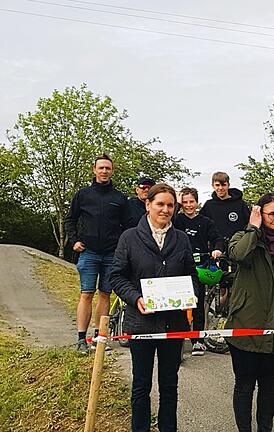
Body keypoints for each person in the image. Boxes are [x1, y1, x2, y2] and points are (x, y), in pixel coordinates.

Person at [110, 183, 196, 432]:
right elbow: (117, 276)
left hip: (174, 324)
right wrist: (135, 298)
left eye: (170, 205)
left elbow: (191, 275)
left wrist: (190, 296)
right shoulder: (129, 237)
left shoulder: (181, 238)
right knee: (141, 385)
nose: (166, 210)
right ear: (147, 205)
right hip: (141, 323)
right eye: (160, 204)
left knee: (170, 384)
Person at [225, 193, 274, 432]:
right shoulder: (244, 238)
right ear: (260, 213)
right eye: (273, 213)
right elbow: (238, 255)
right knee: (244, 385)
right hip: (245, 326)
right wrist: (253, 227)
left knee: (269, 386)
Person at [64, 154, 129, 354]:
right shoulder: (83, 195)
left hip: (111, 254)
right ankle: (81, 339)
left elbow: (127, 226)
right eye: (100, 168)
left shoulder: (119, 198)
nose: (104, 171)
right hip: (88, 253)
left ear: (112, 170)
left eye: (107, 168)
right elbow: (70, 220)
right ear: (94, 170)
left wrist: (122, 248)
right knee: (86, 294)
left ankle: (100, 337)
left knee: (105, 294)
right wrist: (74, 241)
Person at [173, 186, 225, 356]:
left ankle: (198, 340)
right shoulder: (177, 220)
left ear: (197, 202)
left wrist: (217, 249)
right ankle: (177, 338)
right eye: (185, 202)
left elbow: (217, 238)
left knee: (198, 303)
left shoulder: (205, 221)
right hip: (179, 266)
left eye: (192, 202)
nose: (189, 205)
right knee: (178, 304)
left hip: (199, 267)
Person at [200, 171, 250, 242]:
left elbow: (249, 225)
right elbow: (202, 226)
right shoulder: (208, 205)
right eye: (217, 185)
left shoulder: (240, 204)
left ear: (228, 185)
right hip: (216, 248)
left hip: (237, 245)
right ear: (213, 186)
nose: (220, 188)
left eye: (223, 185)